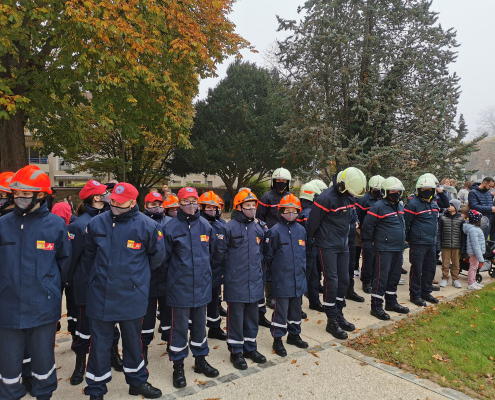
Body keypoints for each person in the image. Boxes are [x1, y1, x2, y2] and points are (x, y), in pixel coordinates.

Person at [81, 182, 165, 399]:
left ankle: (137, 382)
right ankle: (96, 389)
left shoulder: (148, 226)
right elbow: (89, 255)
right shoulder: (96, 223)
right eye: (113, 202)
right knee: (99, 344)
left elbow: (157, 257)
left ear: (133, 202)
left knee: (133, 341)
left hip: (132, 294)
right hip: (100, 294)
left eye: (121, 202)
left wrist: (137, 277)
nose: (115, 206)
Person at [0, 165, 71, 400]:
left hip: (43, 306)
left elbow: (64, 263)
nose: (19, 198)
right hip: (7, 306)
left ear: (40, 194)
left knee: (43, 359)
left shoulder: (56, 225)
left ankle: (43, 393)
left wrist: (49, 287)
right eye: (16, 193)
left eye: (25, 193)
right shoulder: (2, 224)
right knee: (8, 361)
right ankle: (10, 394)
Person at [68, 180, 123, 386]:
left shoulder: (113, 219)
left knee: (111, 324)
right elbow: (72, 258)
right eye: (104, 193)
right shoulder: (78, 225)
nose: (109, 195)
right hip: (87, 284)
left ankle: (113, 354)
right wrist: (72, 282)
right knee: (84, 327)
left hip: (110, 282)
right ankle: (80, 363)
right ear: (96, 197)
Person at [163, 187, 219, 389]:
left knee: (200, 325)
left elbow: (211, 253)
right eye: (186, 201)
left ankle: (200, 360)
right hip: (180, 287)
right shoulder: (170, 228)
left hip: (202, 285)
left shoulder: (205, 225)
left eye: (194, 201)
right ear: (179, 203)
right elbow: (164, 259)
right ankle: (178, 365)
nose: (191, 205)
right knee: (179, 328)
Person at [307, 167, 367, 339]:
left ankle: (339, 313)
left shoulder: (348, 196)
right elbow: (312, 223)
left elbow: (351, 216)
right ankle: (331, 319)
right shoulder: (326, 198)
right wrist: (316, 240)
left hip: (343, 244)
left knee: (344, 280)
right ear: (342, 184)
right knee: (331, 281)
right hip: (327, 245)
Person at [213, 189, 267, 370]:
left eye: (253, 206)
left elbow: (263, 252)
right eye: (247, 206)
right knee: (235, 318)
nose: (251, 209)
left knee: (252, 317)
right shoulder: (228, 228)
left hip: (255, 281)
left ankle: (250, 348)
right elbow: (219, 254)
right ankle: (236, 351)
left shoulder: (259, 227)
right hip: (236, 281)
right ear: (238, 207)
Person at [264, 194, 309, 356]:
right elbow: (268, 256)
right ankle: (277, 339)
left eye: (294, 210)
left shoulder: (301, 230)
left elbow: (304, 254)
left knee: (296, 309)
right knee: (281, 311)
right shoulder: (274, 231)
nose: (291, 213)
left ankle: (294, 335)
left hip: (298, 278)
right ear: (281, 211)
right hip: (282, 279)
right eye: (287, 210)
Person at [362, 177, 410, 320]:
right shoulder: (378, 206)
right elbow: (367, 226)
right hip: (384, 248)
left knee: (394, 277)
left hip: (398, 248)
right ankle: (376, 306)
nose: (396, 193)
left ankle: (391, 302)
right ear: (386, 192)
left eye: (398, 191)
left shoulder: (400, 205)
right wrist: (374, 242)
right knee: (381, 278)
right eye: (393, 191)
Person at [141, 192, 172, 366]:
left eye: (159, 204)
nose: (157, 207)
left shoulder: (171, 223)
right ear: (145, 206)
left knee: (168, 315)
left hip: (168, 278)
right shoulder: (141, 223)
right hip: (148, 279)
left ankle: (170, 342)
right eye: (153, 204)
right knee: (146, 318)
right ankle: (143, 348)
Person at [256, 168, 292, 309]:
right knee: (269, 267)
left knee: (284, 265)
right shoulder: (266, 198)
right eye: (278, 180)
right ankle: (270, 297)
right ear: (274, 181)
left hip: (286, 237)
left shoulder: (290, 197)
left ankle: (282, 293)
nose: (281, 183)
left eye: (284, 181)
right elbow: (259, 219)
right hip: (270, 237)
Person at [404, 176, 440, 307]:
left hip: (431, 242)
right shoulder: (413, 204)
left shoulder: (434, 204)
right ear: (419, 190)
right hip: (418, 243)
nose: (427, 191)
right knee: (417, 270)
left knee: (430, 269)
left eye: (429, 189)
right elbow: (405, 223)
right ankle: (415, 295)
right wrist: (407, 239)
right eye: (423, 189)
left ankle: (426, 292)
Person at [198, 191, 227, 341]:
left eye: (214, 207)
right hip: (201, 270)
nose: (212, 210)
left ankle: (214, 328)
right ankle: (196, 331)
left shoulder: (220, 225)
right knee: (199, 304)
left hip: (215, 270)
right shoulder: (198, 224)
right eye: (209, 207)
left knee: (214, 300)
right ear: (202, 208)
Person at [298, 182, 325, 312]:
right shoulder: (309, 213)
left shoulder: (301, 211)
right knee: (305, 279)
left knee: (313, 277)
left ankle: (314, 302)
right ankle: (297, 307)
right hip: (308, 249)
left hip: (307, 250)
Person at [356, 175, 385, 294]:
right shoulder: (364, 200)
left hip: (381, 234)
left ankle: (375, 280)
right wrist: (361, 230)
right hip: (367, 234)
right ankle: (366, 281)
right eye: (376, 189)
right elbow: (357, 216)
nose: (378, 191)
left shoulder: (384, 199)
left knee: (378, 260)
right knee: (368, 259)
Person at [438, 199, 464, 289]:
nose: (449, 207)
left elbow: (463, 234)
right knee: (445, 263)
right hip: (445, 245)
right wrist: (439, 244)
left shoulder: (461, 219)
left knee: (456, 264)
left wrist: (463, 247)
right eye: (449, 205)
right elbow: (439, 232)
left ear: (456, 207)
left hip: (457, 245)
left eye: (452, 205)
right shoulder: (442, 218)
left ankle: (455, 279)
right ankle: (445, 278)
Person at [463, 210, 486, 290]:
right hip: (474, 253)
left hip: (475, 253)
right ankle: (470, 283)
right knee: (473, 267)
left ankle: (473, 281)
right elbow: (475, 245)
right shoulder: (473, 230)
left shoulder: (475, 229)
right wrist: (480, 258)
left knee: (475, 267)